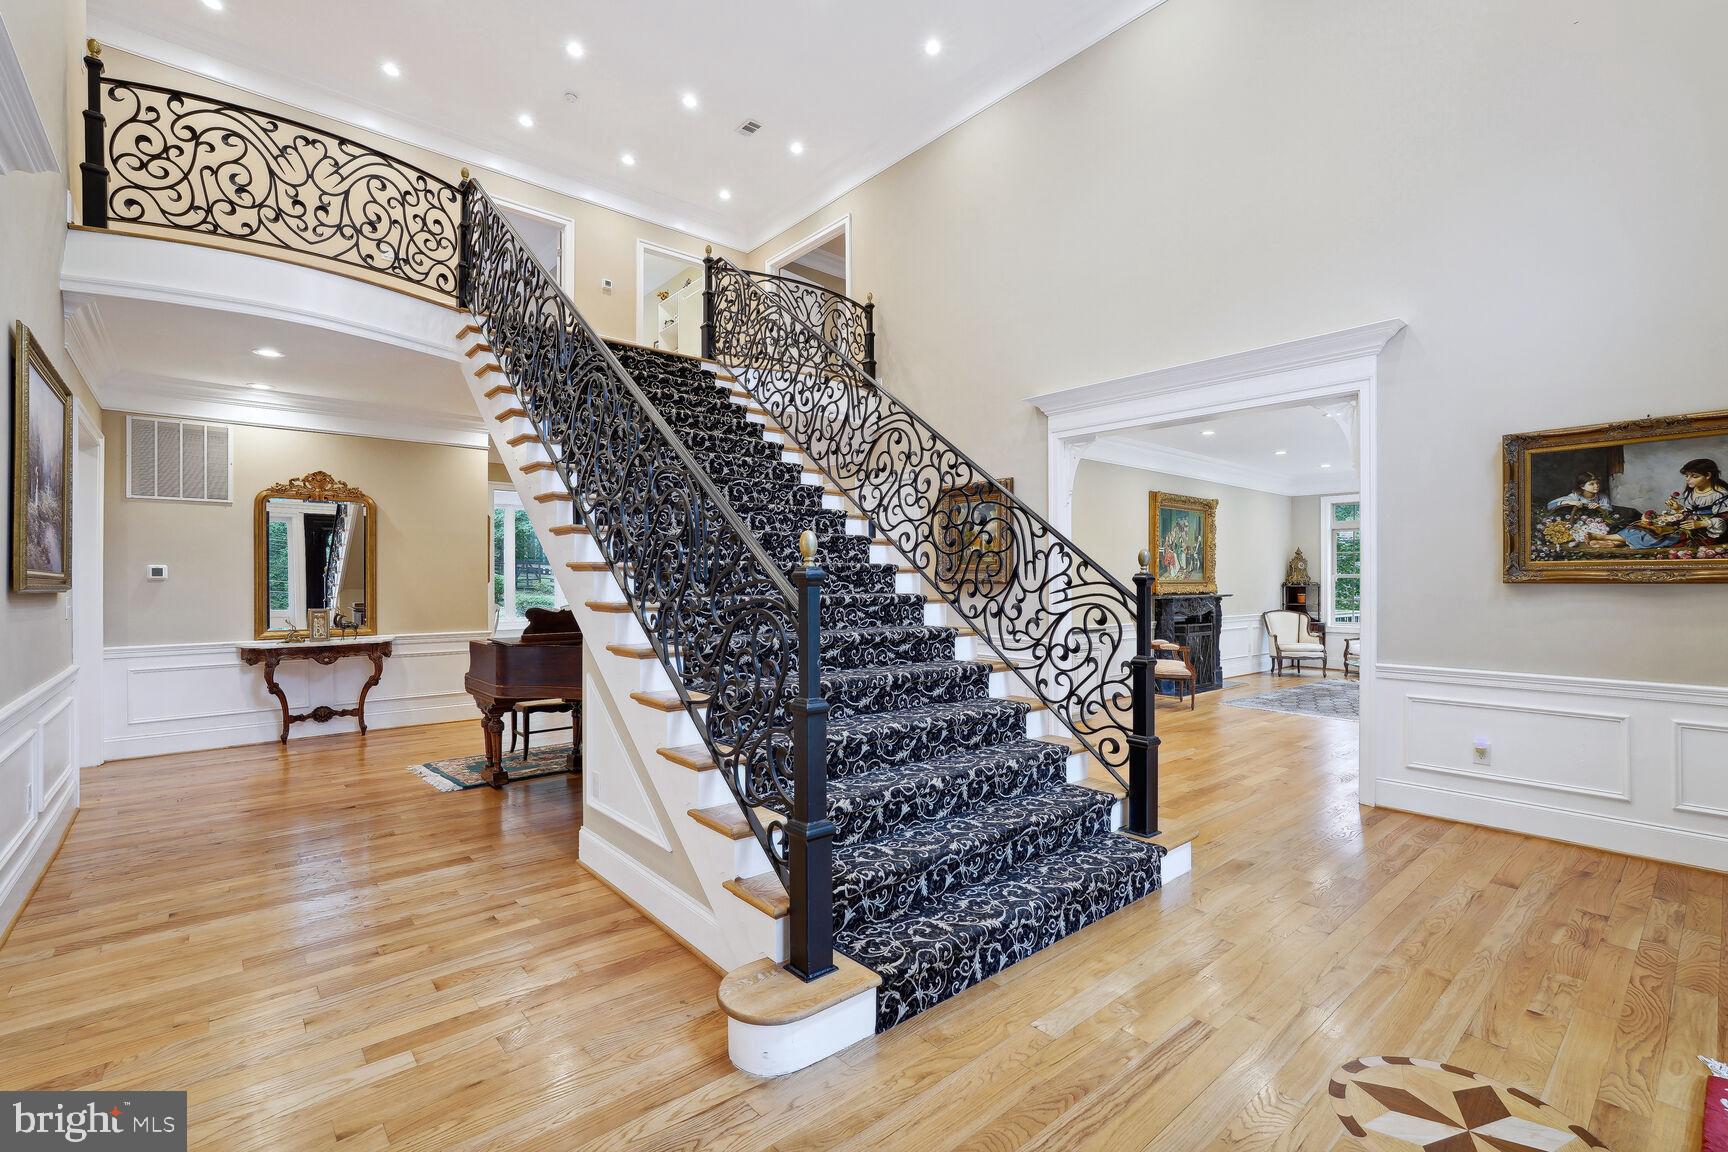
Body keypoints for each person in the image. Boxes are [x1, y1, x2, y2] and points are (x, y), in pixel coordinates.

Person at [1588, 458, 1728, 551]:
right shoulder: (1693, 490)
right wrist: (1678, 509)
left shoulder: (1721, 494)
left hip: (1707, 532)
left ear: (1708, 475)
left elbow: (1725, 520)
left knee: (1660, 536)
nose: (1688, 480)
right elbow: (1691, 512)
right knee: (1649, 525)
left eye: (1694, 476)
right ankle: (1614, 542)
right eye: (1686, 476)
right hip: (1689, 523)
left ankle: (1606, 538)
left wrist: (1701, 524)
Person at [1544, 472, 1616, 516]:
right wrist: (1568, 502)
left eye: (1597, 483)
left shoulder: (1603, 497)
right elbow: (1550, 505)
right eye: (1592, 484)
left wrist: (1599, 508)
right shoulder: (1575, 496)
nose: (1596, 486)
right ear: (1582, 486)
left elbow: (1609, 513)